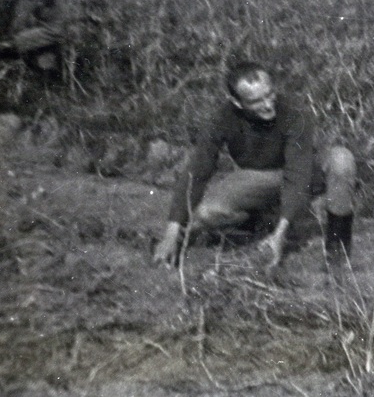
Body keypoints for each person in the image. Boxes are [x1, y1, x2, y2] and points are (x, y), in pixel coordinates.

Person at [153, 61, 357, 270]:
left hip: (305, 172)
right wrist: (171, 233)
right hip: (260, 176)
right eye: (256, 101)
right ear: (237, 102)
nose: (268, 105)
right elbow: (197, 171)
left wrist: (280, 237)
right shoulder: (221, 118)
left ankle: (337, 250)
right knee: (207, 213)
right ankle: (260, 222)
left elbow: (298, 174)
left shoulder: (295, 112)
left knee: (341, 159)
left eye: (270, 95)